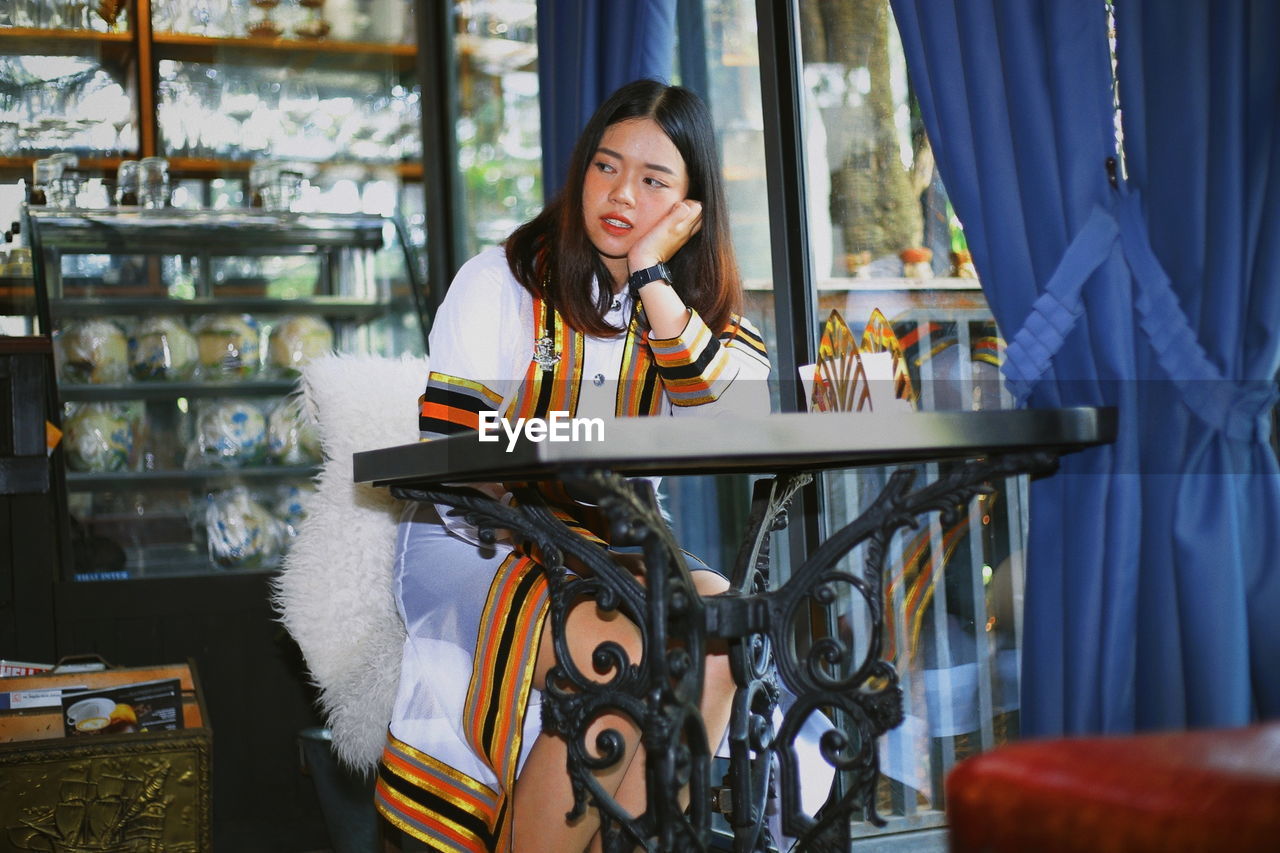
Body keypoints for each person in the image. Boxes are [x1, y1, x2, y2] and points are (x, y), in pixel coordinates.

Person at [376, 79, 771, 853]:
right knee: (617, 652)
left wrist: (654, 280)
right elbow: (456, 462)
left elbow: (739, 425)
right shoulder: (499, 283)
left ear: (692, 206)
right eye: (605, 166)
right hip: (478, 541)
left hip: (613, 541)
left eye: (655, 180)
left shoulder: (695, 310)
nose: (621, 194)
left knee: (721, 634)